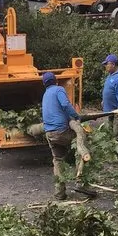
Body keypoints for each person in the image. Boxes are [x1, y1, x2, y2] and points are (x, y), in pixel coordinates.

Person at [41, 70, 82, 200]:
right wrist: (76, 116)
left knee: (58, 160)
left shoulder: (46, 94)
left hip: (50, 134)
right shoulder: (59, 90)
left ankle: (60, 193)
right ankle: (81, 182)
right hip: (61, 131)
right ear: (56, 81)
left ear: (44, 84)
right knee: (81, 145)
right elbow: (65, 104)